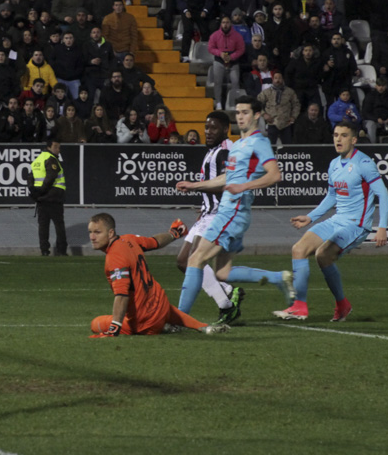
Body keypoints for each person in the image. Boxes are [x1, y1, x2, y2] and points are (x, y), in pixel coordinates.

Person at [174, 96, 294, 315]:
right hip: (234, 212)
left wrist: (244, 186)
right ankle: (278, 278)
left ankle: (180, 317)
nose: (240, 117)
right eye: (238, 112)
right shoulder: (238, 145)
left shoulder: (259, 142)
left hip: (232, 211)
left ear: (257, 115)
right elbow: (226, 178)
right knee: (222, 274)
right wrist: (195, 186)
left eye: (245, 112)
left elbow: (275, 175)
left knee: (195, 259)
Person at [276, 121, 388, 322]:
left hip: (356, 225)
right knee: (298, 249)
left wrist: (382, 227)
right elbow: (331, 197)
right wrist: (311, 217)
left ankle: (341, 305)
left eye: (344, 135)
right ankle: (300, 306)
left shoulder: (364, 164)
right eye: (336, 135)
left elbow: (384, 194)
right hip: (336, 219)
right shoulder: (334, 164)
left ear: (353, 140)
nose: (338, 139)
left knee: (322, 254)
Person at [88, 213, 227, 337]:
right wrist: (174, 233)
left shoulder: (114, 257)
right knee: (166, 310)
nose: (92, 237)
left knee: (95, 324)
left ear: (111, 233)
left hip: (145, 322)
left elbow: (122, 294)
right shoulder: (129, 239)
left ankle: (163, 327)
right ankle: (202, 327)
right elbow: (155, 242)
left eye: (97, 232)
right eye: (90, 232)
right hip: (161, 306)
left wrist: (115, 327)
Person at [174, 112, 243, 325]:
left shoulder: (224, 152)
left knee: (195, 258)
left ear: (225, 130)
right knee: (183, 261)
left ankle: (182, 316)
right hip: (207, 213)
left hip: (216, 215)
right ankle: (227, 294)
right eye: (206, 127)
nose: (207, 131)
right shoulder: (213, 151)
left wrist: (218, 206)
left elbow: (227, 185)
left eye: (213, 128)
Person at [31, 139, 67, 257]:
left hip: (41, 199)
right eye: (56, 147)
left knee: (43, 226)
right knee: (59, 225)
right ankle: (61, 250)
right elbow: (51, 177)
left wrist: (34, 192)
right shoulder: (52, 159)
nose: (58, 150)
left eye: (59, 147)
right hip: (53, 197)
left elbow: (30, 177)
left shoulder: (37, 160)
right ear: (48, 147)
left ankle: (44, 250)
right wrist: (42, 190)